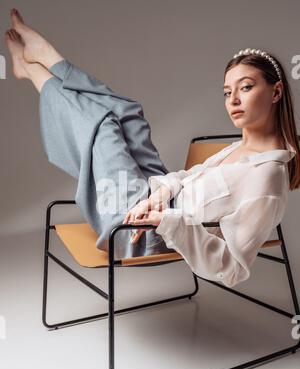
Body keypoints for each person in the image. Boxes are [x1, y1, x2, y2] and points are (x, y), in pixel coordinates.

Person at [5, 9, 299, 287]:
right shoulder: (237, 149)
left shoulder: (267, 178)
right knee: (128, 112)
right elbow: (187, 178)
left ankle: (35, 70)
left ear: (275, 92)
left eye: (245, 88)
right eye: (227, 92)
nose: (232, 100)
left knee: (105, 125)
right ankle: (48, 61)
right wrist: (158, 195)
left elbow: (232, 267)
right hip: (154, 199)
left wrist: (163, 218)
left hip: (141, 232)